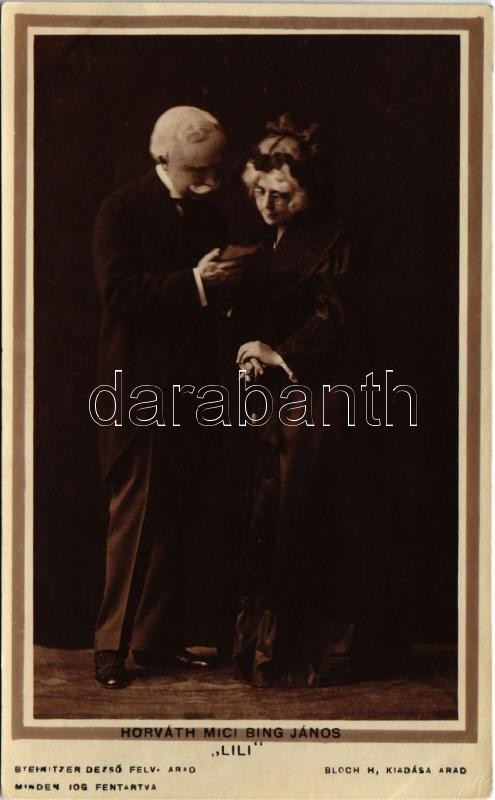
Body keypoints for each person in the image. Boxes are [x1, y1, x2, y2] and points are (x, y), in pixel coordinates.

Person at [92, 106, 245, 688]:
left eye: (217, 170)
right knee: (134, 518)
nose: (211, 182)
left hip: (194, 391)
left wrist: (226, 292)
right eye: (199, 171)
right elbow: (121, 295)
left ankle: (154, 642)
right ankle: (110, 647)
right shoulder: (121, 209)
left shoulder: (210, 216)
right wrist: (200, 284)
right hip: (138, 389)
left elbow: (210, 305)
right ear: (163, 159)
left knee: (179, 514)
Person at [231, 113, 357, 688]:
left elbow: (334, 320)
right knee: (270, 515)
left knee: (306, 517)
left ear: (304, 191)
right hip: (276, 399)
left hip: (319, 398)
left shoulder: (332, 238)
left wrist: (277, 352)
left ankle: (320, 649)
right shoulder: (270, 240)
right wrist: (252, 352)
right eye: (259, 191)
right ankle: (264, 650)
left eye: (279, 195)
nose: (267, 204)